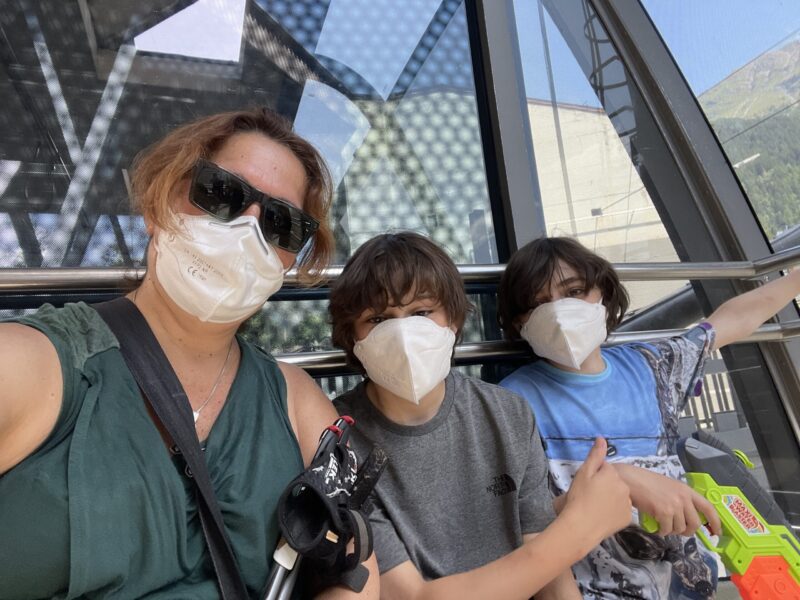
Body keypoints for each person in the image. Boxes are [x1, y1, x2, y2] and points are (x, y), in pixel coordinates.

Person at [0, 108, 377, 599]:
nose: (248, 228)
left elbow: (355, 574)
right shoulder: (35, 363)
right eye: (222, 193)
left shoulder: (298, 403)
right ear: (159, 204)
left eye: (282, 224)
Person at [328, 231, 634, 600]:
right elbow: (410, 596)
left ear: (453, 321)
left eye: (422, 312)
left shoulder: (508, 414)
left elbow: (550, 575)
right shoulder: (338, 438)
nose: (404, 332)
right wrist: (580, 528)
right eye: (378, 319)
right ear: (353, 338)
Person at [497, 236, 800, 599]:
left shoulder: (653, 367)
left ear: (603, 295)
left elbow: (731, 319)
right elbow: (506, 523)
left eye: (574, 291)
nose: (559, 312)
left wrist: (794, 279)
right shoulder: (509, 403)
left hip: (687, 585)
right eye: (538, 303)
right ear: (519, 324)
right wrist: (618, 483)